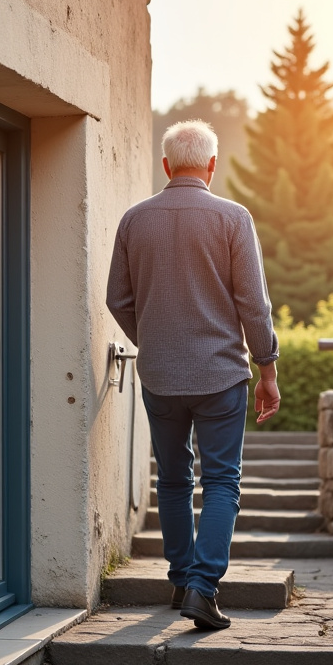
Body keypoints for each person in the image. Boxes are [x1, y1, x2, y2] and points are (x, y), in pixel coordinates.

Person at [105, 119, 281, 630]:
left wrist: (155, 341)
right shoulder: (233, 218)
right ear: (211, 165)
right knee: (222, 479)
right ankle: (203, 589)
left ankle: (181, 578)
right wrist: (267, 368)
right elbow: (254, 301)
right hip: (222, 375)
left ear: (166, 165)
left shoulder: (135, 220)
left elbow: (118, 298)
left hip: (159, 376)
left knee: (175, 478)